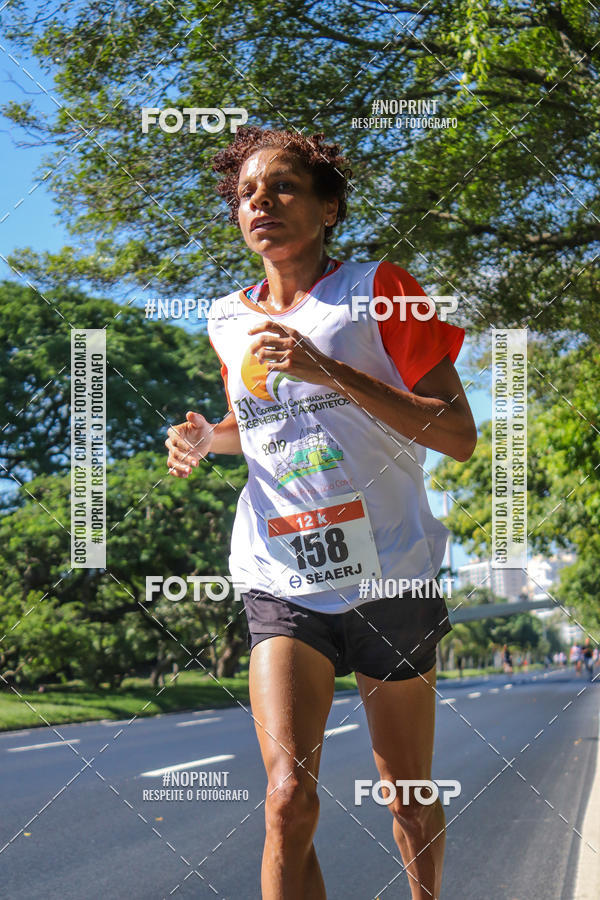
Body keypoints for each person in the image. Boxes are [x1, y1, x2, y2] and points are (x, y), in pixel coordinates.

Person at [165, 127, 477, 900]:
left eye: (283, 187)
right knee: (285, 799)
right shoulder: (223, 318)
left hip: (390, 573)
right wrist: (209, 437)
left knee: (404, 792)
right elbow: (271, 421)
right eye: (245, 194)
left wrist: (326, 366)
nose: (260, 203)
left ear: (329, 206)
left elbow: (457, 434)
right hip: (283, 573)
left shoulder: (379, 289)